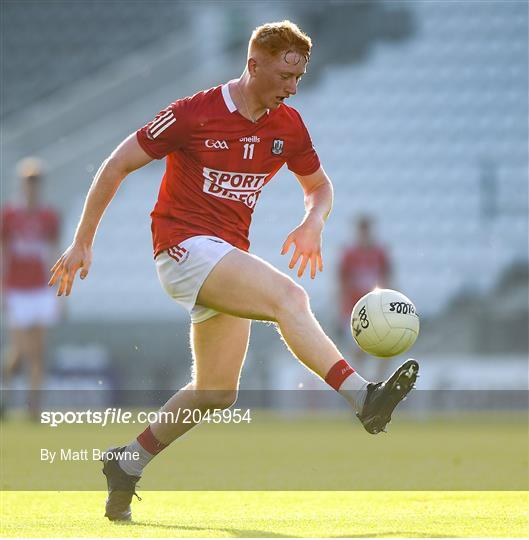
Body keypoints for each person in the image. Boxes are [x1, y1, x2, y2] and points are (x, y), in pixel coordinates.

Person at [48, 21, 419, 521]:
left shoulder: (287, 125)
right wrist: (82, 241)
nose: (292, 87)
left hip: (221, 256)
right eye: (286, 75)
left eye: (300, 78)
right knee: (290, 298)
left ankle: (127, 462)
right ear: (254, 64)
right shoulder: (193, 114)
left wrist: (313, 222)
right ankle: (364, 398)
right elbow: (116, 164)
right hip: (181, 248)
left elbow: (319, 186)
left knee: (218, 392)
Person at [1, 157, 60, 419]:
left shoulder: (49, 216)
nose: (32, 186)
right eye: (28, 181)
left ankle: (33, 407)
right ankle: (5, 384)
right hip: (16, 288)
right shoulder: (9, 215)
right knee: (22, 350)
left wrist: (58, 289)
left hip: (39, 288)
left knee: (38, 350)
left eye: (36, 181)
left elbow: (53, 251)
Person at [337, 215, 391, 379]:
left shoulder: (380, 254)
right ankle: (361, 386)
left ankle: (378, 383)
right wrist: (340, 311)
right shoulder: (349, 255)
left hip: (375, 308)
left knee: (386, 348)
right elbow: (341, 283)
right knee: (358, 350)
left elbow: (387, 279)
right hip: (354, 310)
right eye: (362, 229)